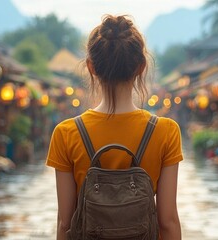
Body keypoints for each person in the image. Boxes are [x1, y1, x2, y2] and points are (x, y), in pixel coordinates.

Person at [46, 15, 183, 240]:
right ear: (141, 67)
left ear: (91, 67)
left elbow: (65, 223)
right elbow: (168, 222)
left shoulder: (66, 133)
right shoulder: (166, 131)